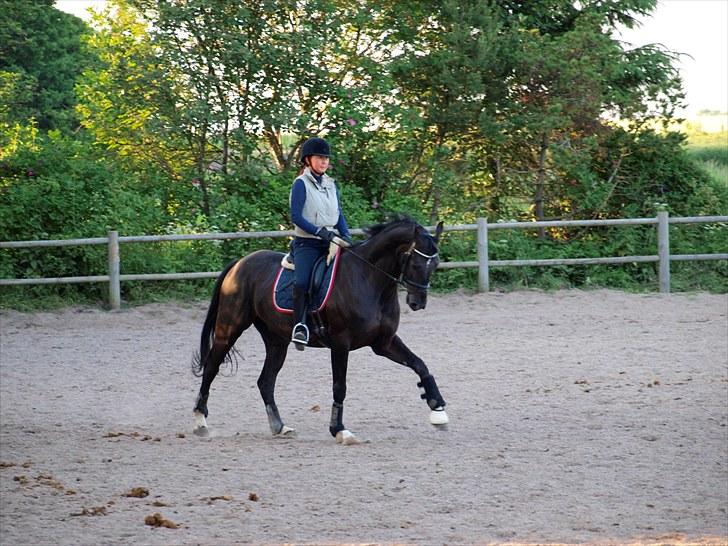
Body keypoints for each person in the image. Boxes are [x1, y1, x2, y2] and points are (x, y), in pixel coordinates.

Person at [289, 137, 352, 348]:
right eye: (320, 157)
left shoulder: (331, 184)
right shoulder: (300, 184)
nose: (324, 162)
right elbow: (296, 216)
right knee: (302, 283)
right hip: (308, 243)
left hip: (332, 241)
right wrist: (319, 232)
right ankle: (299, 326)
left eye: (326, 158)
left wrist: (346, 234)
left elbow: (338, 213)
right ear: (308, 160)